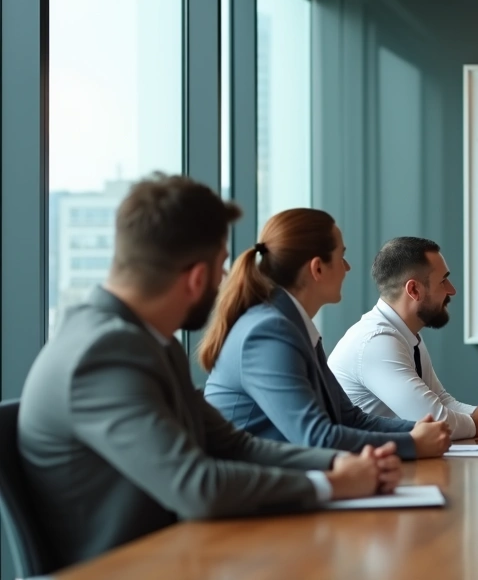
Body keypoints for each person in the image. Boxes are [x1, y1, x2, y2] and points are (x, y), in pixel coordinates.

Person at [18, 174, 399, 571]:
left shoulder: (148, 342)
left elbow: (236, 446)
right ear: (197, 277)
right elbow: (196, 485)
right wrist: (332, 485)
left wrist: (336, 466)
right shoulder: (103, 354)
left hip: (177, 555)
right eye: (220, 267)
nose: (225, 280)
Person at [199, 208, 451, 459]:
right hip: (253, 490)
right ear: (317, 268)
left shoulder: (292, 326)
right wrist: (412, 442)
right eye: (341, 256)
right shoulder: (268, 332)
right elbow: (316, 438)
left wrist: (418, 430)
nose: (347, 267)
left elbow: (350, 419)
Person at [329, 236, 478, 439]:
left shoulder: (404, 334)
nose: (452, 290)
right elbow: (431, 420)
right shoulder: (377, 341)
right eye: (443, 281)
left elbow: (441, 401)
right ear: (414, 290)